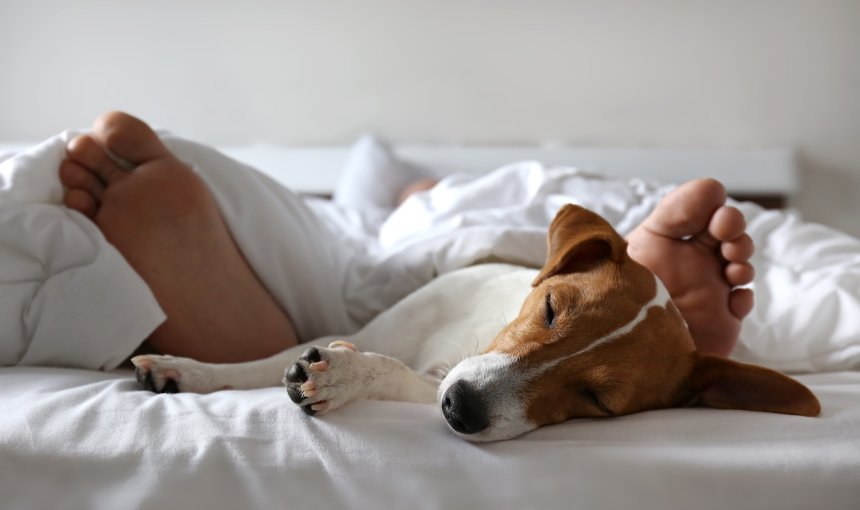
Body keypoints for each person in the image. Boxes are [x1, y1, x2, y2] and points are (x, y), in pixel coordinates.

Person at [57, 112, 755, 364]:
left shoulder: (433, 203)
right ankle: (628, 304)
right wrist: (417, 202)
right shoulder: (409, 208)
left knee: (350, 274)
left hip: (388, 255)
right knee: (376, 266)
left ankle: (623, 297)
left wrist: (421, 201)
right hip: (390, 245)